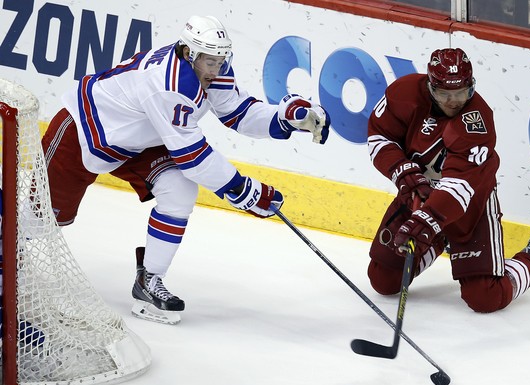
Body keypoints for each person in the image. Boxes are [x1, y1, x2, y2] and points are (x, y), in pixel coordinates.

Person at [41, 15, 330, 324]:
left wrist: (284, 120)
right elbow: (192, 156)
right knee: (35, 218)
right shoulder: (169, 85)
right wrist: (242, 189)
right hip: (86, 133)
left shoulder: (208, 67)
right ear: (189, 53)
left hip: (142, 139)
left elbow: (238, 112)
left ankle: (149, 281)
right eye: (209, 61)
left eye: (220, 60)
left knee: (178, 190)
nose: (216, 69)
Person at [366, 47, 530, 313]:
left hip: (469, 202)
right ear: (430, 85)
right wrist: (403, 171)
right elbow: (379, 136)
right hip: (419, 193)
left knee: (485, 297)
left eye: (461, 93)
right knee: (384, 280)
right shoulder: (404, 94)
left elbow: (459, 187)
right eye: (444, 94)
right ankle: (440, 239)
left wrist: (427, 221)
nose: (453, 101)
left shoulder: (477, 122)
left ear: (471, 87)